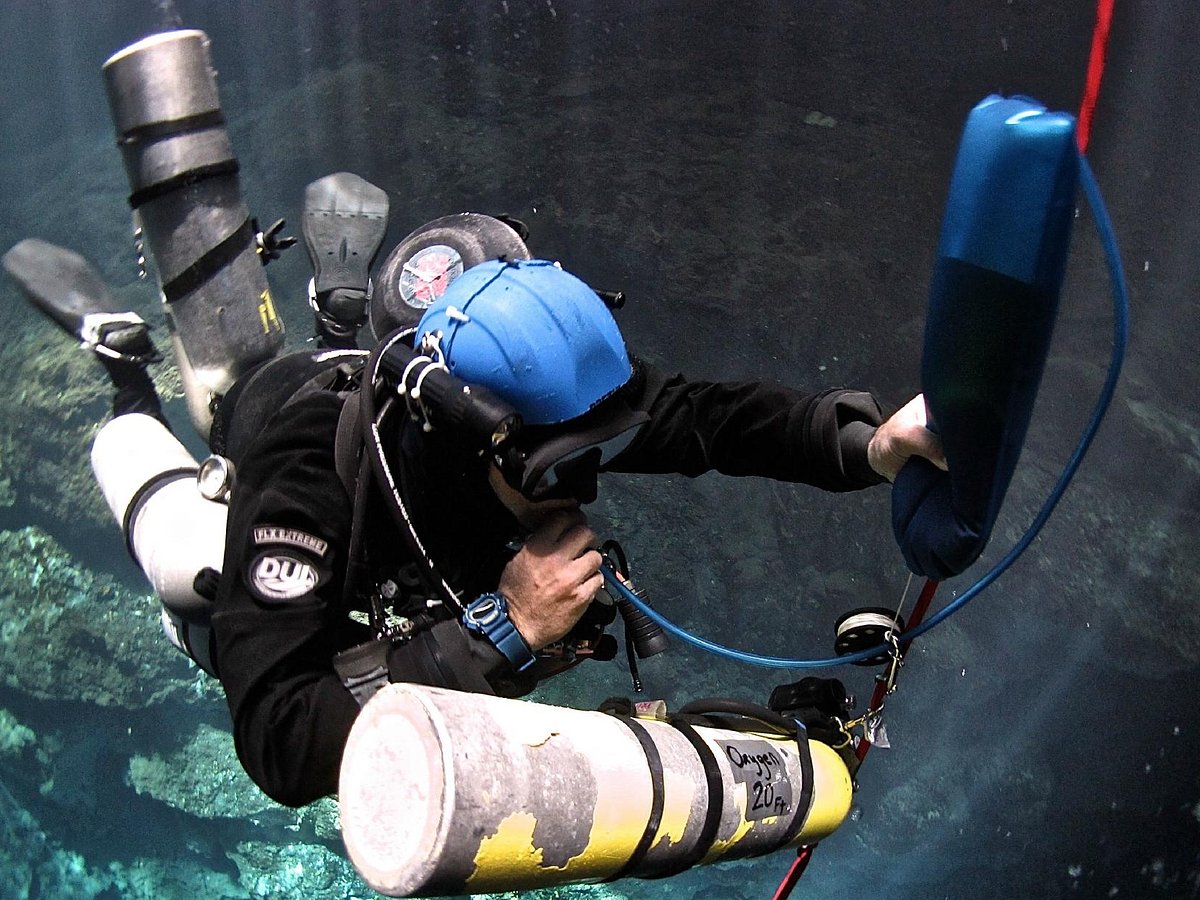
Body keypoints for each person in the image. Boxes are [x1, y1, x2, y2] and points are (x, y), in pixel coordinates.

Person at [5, 234, 944, 810]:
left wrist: (866, 444)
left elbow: (706, 417)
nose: (587, 485)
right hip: (276, 461)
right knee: (187, 573)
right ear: (478, 442)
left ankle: (341, 319)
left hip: (398, 439)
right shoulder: (306, 493)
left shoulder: (557, 403)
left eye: (600, 450)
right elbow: (278, 741)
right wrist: (502, 631)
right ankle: (125, 374)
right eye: (564, 468)